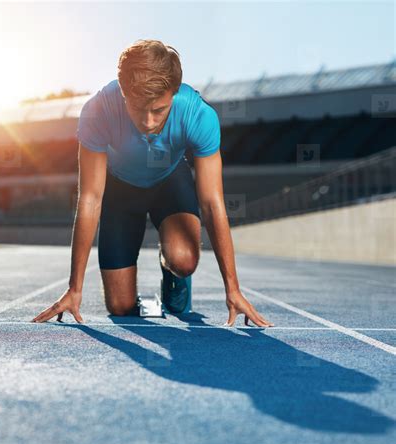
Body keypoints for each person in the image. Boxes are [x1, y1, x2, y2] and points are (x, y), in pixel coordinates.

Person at [32, 39, 274, 327]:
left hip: (169, 181)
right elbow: (90, 199)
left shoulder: (198, 115)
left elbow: (211, 203)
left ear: (173, 94)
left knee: (183, 259)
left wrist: (232, 289)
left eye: (158, 110)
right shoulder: (98, 111)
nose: (147, 122)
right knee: (120, 307)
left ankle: (171, 269)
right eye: (137, 109)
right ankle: (142, 292)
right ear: (123, 94)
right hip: (120, 190)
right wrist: (75, 288)